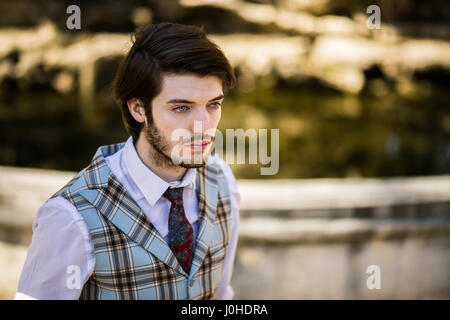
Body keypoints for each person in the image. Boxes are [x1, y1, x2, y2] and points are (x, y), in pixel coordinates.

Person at [15, 22, 240, 300]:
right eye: (181, 108)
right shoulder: (71, 216)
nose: (203, 127)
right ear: (138, 109)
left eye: (213, 105)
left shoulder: (222, 182)